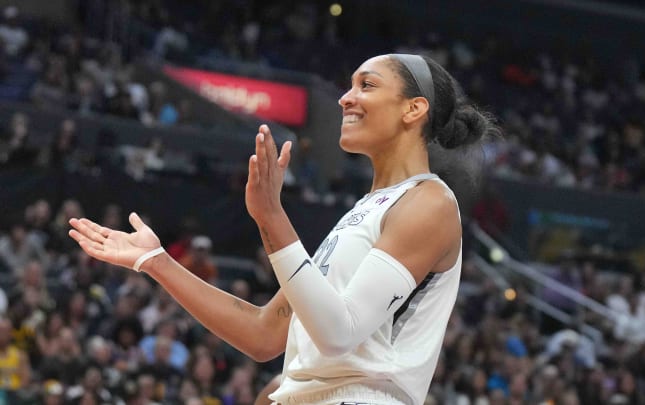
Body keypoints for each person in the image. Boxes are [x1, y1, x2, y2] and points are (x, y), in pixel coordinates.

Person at [68, 53, 494, 404]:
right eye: (349, 85)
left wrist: (271, 216)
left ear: (413, 109)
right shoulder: (364, 211)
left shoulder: (429, 202)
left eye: (367, 85)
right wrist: (155, 261)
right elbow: (262, 334)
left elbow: (339, 334)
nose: (346, 98)